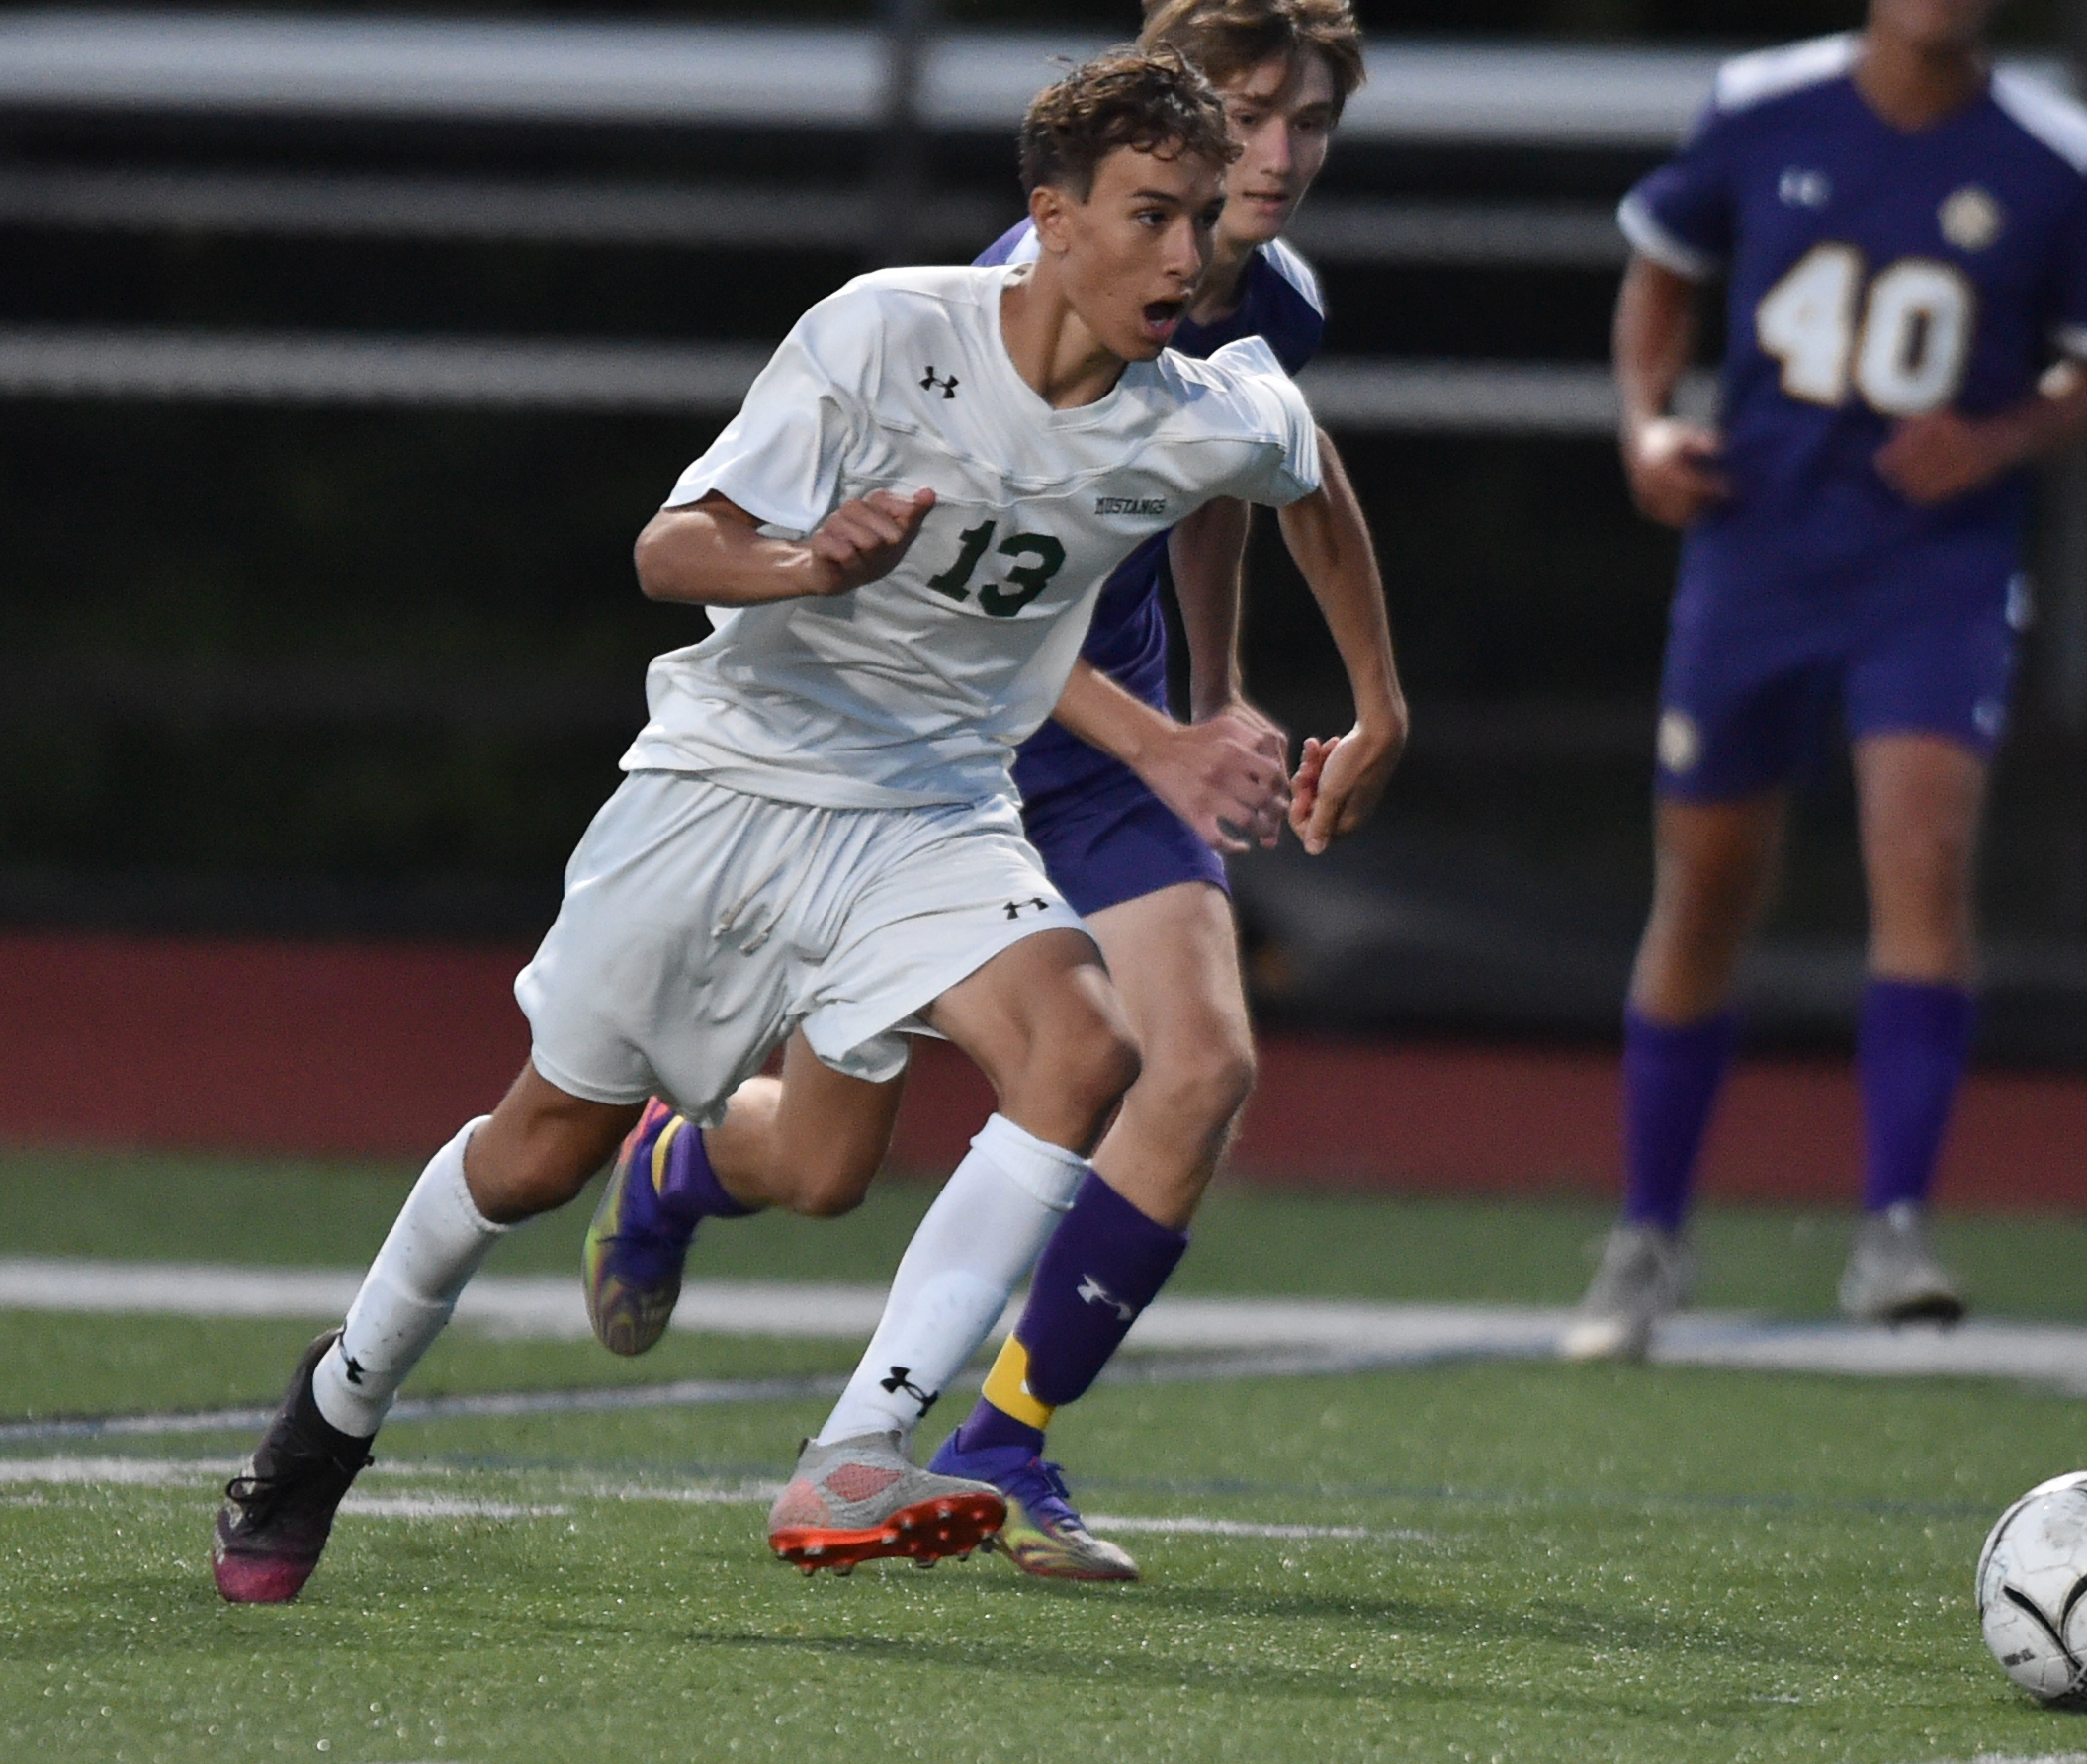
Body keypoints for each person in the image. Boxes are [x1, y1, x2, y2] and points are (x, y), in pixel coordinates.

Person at [210, 46, 1338, 1602]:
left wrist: (1382, 703)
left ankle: (855, 1453)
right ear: (1050, 219)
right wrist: (812, 566)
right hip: (732, 780)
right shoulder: (888, 332)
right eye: (1149, 216)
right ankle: (328, 1415)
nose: (1183, 255)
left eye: (1202, 220)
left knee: (1084, 1051)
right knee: (545, 1153)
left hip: (929, 810)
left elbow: (1306, 469)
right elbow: (672, 551)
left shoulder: (1194, 410)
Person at [581, 0, 1405, 1587]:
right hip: (929, 747)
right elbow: (966, 595)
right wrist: (1156, 733)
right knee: (824, 1169)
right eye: (1249, 112)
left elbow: (1234, 482)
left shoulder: (1264, 300)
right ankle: (682, 1163)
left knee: (1199, 1062)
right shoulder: (1018, 286)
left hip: (1112, 756)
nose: (1278, 153)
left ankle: (1003, 1435)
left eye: (1308, 121)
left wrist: (1268, 695)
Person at [1561, 0, 2087, 1363]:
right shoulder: (1766, 99)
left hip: (1929, 572)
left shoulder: (2059, 153)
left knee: (1926, 852)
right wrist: (1646, 423)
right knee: (1704, 888)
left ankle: (1893, 1224)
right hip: (1756, 549)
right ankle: (1648, 1230)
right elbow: (1660, 264)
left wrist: (2005, 433)